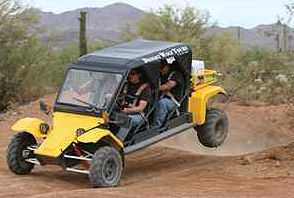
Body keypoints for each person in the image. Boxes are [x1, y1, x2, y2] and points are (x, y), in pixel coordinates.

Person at [115, 69, 151, 142]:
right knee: (105, 114)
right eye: (129, 74)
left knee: (127, 119)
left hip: (138, 116)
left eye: (133, 74)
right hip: (123, 112)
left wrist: (127, 110)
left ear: (139, 75)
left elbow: (141, 108)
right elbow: (116, 97)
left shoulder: (145, 88)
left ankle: (117, 143)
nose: (130, 76)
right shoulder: (125, 85)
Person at [157, 60, 182, 126]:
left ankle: (157, 126)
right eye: (159, 68)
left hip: (172, 101)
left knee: (162, 103)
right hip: (159, 97)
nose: (160, 70)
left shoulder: (175, 75)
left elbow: (168, 86)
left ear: (167, 66)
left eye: (162, 68)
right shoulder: (160, 75)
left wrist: (155, 88)